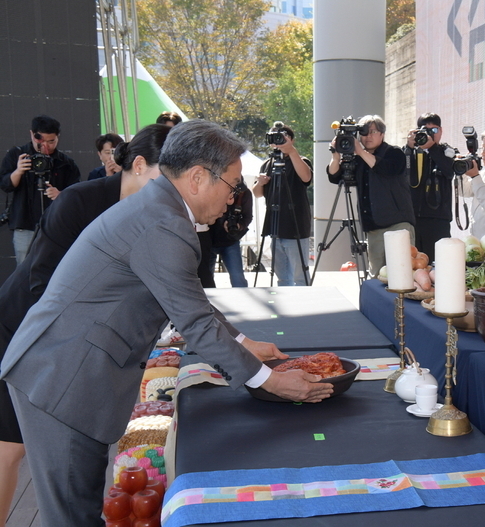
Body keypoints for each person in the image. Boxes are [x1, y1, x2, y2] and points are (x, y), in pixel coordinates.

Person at [0, 120, 333, 526]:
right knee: (73, 515)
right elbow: (195, 322)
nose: (233, 198)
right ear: (197, 178)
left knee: (79, 506)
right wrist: (271, 381)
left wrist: (244, 343)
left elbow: (188, 300)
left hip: (67, 370)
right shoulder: (164, 223)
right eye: (232, 186)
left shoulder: (159, 209)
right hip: (65, 378)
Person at [0, 123, 168, 526]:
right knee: (10, 448)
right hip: (23, 328)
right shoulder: (80, 200)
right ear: (139, 165)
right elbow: (42, 283)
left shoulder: (155, 213)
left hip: (71, 345)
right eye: (168, 177)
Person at [327, 115, 414, 276]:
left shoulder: (394, 153)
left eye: (373, 132)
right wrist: (335, 156)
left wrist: (360, 151)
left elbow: (386, 169)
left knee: (402, 274)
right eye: (364, 132)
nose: (368, 136)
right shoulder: (359, 159)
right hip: (373, 227)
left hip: (397, 224)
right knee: (377, 275)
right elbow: (335, 177)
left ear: (382, 134)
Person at [0, 115, 81, 265]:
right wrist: (18, 171)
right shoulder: (17, 155)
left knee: (56, 267)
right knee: (25, 268)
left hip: (55, 226)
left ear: (58, 137)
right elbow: (5, 185)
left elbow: (76, 194)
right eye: (40, 141)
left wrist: (60, 195)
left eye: (51, 141)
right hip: (25, 224)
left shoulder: (66, 163)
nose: (46, 146)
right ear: (32, 134)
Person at [253, 123, 313, 286]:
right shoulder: (267, 164)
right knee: (282, 277)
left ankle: (304, 301)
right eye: (274, 138)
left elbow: (306, 178)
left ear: (291, 140)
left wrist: (291, 151)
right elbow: (257, 193)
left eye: (282, 138)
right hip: (275, 228)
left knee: (300, 276)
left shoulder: (300, 160)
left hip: (295, 228)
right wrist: (260, 183)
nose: (277, 142)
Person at [403, 113, 456, 263]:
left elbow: (449, 171)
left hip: (438, 220)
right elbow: (400, 173)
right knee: (411, 264)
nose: (430, 134)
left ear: (441, 131)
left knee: (438, 264)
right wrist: (408, 148)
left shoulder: (447, 152)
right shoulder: (410, 153)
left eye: (434, 130)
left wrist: (432, 148)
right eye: (426, 130)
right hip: (413, 219)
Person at [209, 180, 253, 287]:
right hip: (209, 238)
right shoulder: (212, 187)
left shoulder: (244, 193)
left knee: (238, 278)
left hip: (230, 240)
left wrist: (238, 225)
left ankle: (242, 297)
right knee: (206, 279)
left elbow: (247, 216)